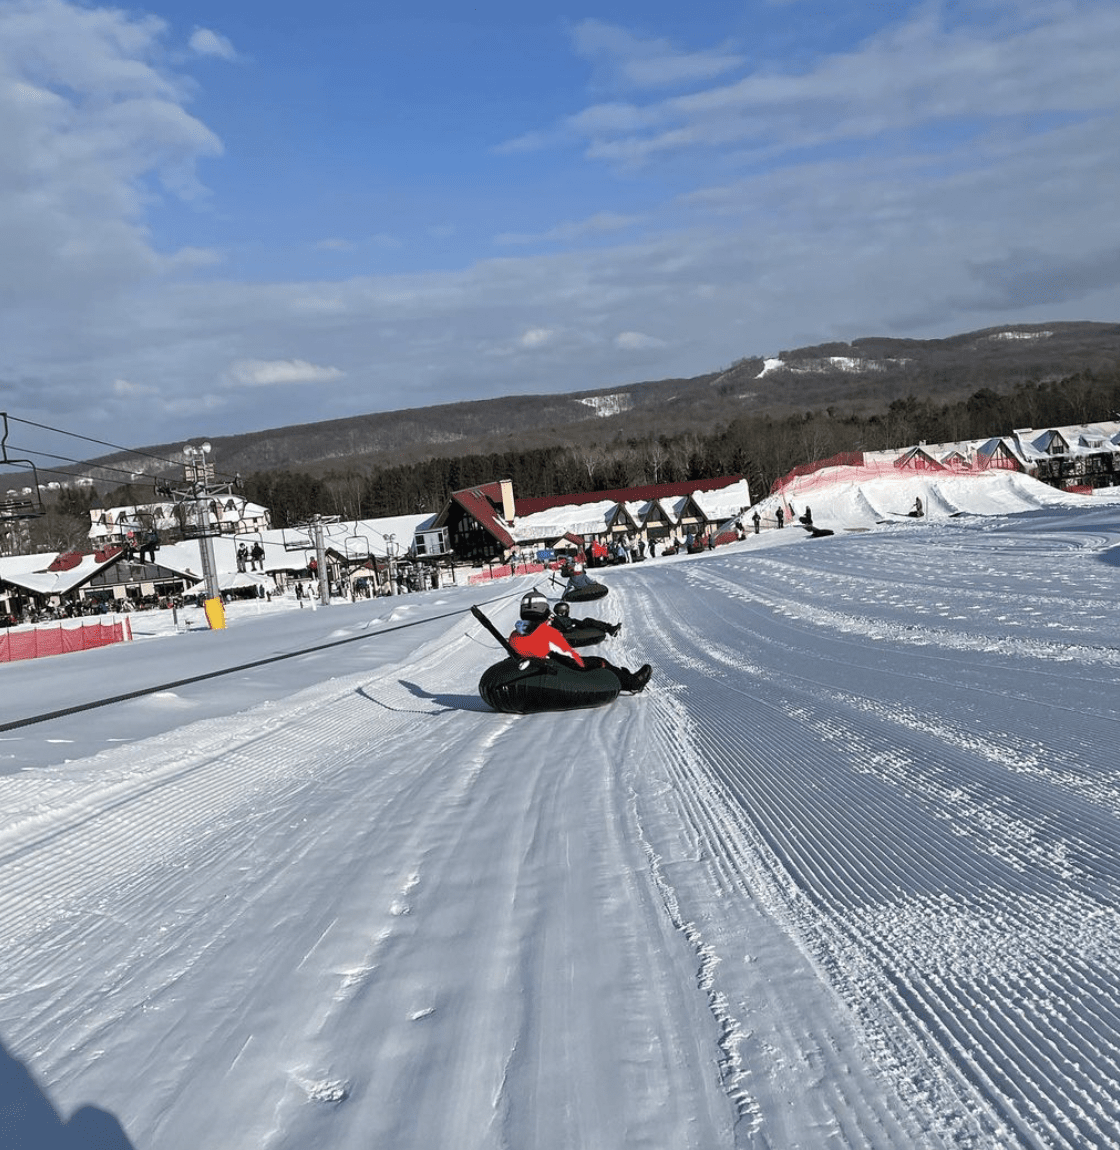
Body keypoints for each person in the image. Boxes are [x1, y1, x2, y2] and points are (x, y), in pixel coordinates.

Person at [509, 591, 651, 693]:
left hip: (539, 662)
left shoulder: (515, 634)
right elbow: (567, 654)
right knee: (599, 662)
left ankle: (623, 675)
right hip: (554, 664)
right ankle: (633, 683)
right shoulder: (546, 632)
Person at [550, 599, 620, 638]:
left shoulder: (558, 619)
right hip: (571, 630)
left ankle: (608, 628)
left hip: (572, 627)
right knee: (588, 621)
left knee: (588, 621)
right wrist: (575, 623)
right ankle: (609, 629)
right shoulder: (560, 619)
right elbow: (568, 625)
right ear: (563, 611)